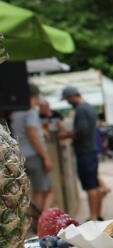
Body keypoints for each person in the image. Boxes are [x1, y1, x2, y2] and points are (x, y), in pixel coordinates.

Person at [60, 86, 104, 220]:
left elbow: (81, 130)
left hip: (84, 152)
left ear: (72, 96)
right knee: (95, 185)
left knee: (91, 187)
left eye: (67, 99)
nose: (68, 102)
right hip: (91, 150)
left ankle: (93, 217)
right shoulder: (89, 107)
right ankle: (97, 215)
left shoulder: (80, 109)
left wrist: (66, 135)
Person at [11, 84, 54, 212]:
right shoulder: (30, 111)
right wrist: (46, 158)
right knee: (42, 191)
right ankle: (41, 220)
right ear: (35, 96)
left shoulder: (15, 112)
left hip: (21, 155)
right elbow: (32, 135)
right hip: (34, 155)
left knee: (42, 190)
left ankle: (41, 217)